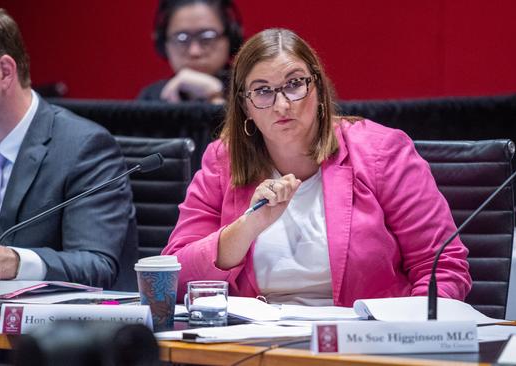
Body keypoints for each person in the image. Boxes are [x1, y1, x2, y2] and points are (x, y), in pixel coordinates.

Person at [163, 28, 472, 306]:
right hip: (253, 345)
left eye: (295, 84)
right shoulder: (222, 162)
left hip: (361, 346)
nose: (282, 105)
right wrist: (247, 228)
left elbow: (443, 268)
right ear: (245, 107)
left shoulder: (381, 152)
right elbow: (172, 278)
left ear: (319, 89)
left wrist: (403, 336)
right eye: (262, 91)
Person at [0, 5, 137, 290]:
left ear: (4, 72)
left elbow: (97, 265)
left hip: (48, 329)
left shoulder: (84, 148)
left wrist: (13, 262)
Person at [137, 0, 243, 104]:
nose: (194, 52)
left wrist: (215, 98)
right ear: (164, 43)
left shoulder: (250, 92)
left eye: (207, 37)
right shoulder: (151, 98)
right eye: (181, 39)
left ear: (231, 39)